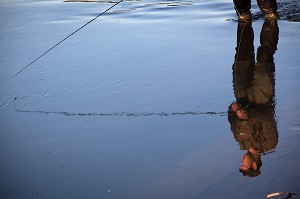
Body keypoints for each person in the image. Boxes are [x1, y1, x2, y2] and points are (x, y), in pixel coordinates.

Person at [228, 19, 279, 177]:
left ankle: (244, 21)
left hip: (242, 95)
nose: (242, 160)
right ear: (255, 166)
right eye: (244, 164)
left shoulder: (240, 141)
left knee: (242, 54)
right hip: (263, 97)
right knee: (264, 58)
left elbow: (230, 117)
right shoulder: (270, 143)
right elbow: (267, 117)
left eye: (242, 164)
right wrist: (247, 117)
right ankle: (271, 20)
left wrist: (233, 108)